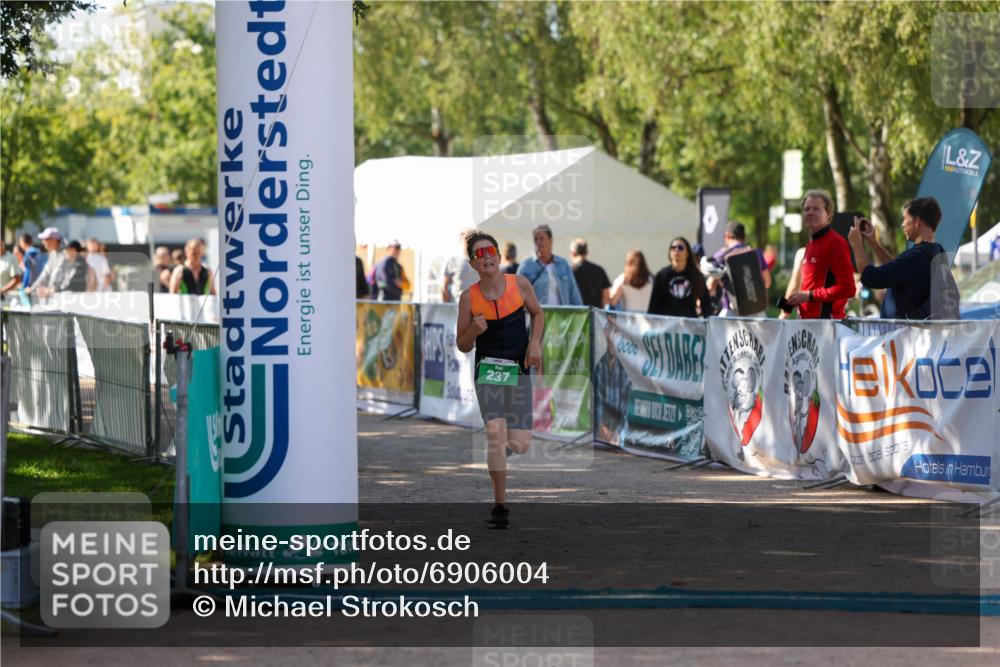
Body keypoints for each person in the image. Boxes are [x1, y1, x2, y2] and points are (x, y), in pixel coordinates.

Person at [456, 231, 543, 529]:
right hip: (488, 371)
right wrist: (474, 332)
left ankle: (501, 449)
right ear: (473, 264)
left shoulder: (519, 284)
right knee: (495, 431)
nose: (487, 256)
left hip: (518, 369)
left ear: (499, 255)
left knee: (518, 445)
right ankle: (500, 506)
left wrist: (534, 344)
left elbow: (538, 314)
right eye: (479, 254)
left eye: (490, 250)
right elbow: (462, 345)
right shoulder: (468, 298)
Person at [849, 196, 958, 320]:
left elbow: (870, 277)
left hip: (905, 335)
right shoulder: (936, 252)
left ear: (916, 221)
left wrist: (857, 244)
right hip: (921, 334)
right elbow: (897, 269)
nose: (902, 225)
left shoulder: (916, 257)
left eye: (905, 219)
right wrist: (874, 243)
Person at [784, 190, 856, 319]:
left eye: (816, 209)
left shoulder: (836, 243)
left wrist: (810, 295)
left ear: (828, 215)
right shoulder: (809, 246)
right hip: (805, 326)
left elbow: (849, 288)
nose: (810, 212)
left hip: (827, 325)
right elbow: (799, 286)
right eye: (807, 209)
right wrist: (785, 311)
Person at [705, 222, 771, 315]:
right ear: (743, 236)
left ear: (727, 235)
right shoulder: (756, 253)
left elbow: (710, 285)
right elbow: (767, 282)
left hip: (731, 311)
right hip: (757, 311)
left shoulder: (722, 255)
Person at [517, 224, 583, 306]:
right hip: (536, 317)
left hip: (562, 317)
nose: (538, 242)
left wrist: (579, 313)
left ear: (550, 240)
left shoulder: (563, 264)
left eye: (542, 238)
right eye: (535, 239)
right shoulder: (526, 266)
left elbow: (574, 294)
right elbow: (517, 295)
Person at [648, 237, 707, 318]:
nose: (676, 250)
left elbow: (706, 304)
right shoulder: (661, 276)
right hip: (667, 326)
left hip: (689, 326)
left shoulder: (696, 276)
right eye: (673, 248)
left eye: (680, 248)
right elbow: (653, 306)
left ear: (687, 253)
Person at [569, 238, 611, 309]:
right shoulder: (599, 270)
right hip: (597, 313)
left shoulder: (569, 271)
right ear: (586, 252)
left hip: (578, 314)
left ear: (573, 253)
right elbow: (606, 296)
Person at [442, 228, 480, 302]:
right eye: (467, 240)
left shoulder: (484, 259)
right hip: (458, 308)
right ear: (461, 241)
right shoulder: (452, 261)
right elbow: (444, 287)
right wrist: (447, 308)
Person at [27, 227, 67, 295]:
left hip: (66, 298)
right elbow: (45, 274)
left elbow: (57, 278)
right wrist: (32, 288)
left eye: (45, 239)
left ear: (54, 240)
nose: (43, 242)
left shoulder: (65, 255)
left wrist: (49, 290)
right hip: (56, 297)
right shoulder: (53, 254)